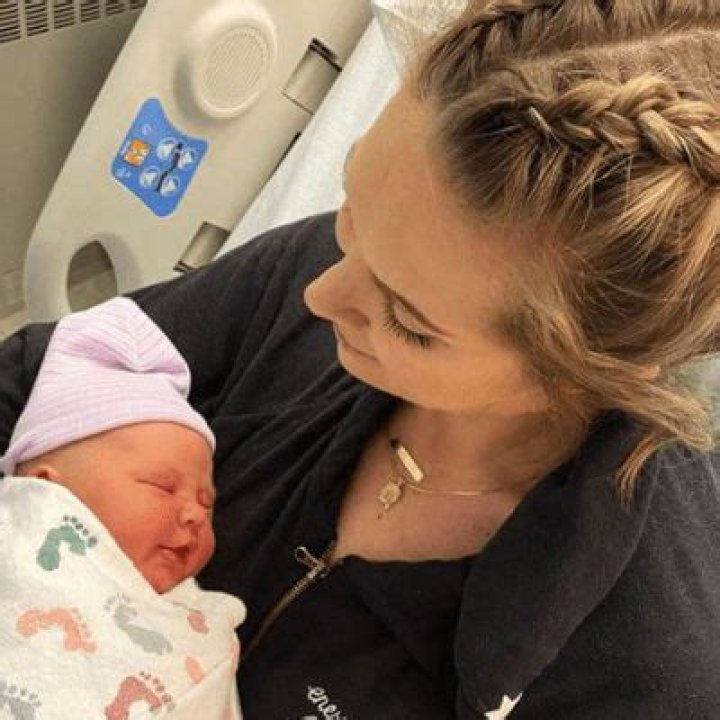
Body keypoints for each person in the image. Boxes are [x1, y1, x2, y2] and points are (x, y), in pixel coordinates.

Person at [2, 1, 720, 717]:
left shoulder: (643, 672)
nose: (319, 296)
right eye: (351, 215)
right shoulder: (356, 257)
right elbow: (33, 374)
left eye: (407, 321)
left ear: (583, 370)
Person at [0, 297, 245, 720]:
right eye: (162, 486)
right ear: (46, 491)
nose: (194, 514)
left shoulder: (196, 619)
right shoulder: (14, 543)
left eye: (207, 503)